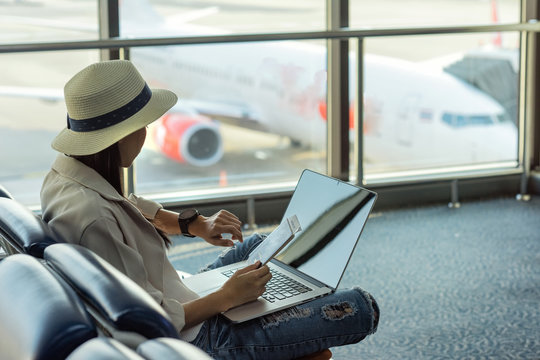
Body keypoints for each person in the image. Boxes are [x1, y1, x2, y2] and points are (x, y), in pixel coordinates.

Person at [41, 60, 379, 360]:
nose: (147, 133)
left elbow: (126, 206)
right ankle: (276, 307)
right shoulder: (94, 219)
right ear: (119, 136)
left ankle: (281, 299)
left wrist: (191, 225)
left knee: (257, 244)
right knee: (361, 307)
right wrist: (226, 297)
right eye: (142, 125)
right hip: (195, 337)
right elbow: (147, 320)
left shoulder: (68, 178)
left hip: (178, 296)